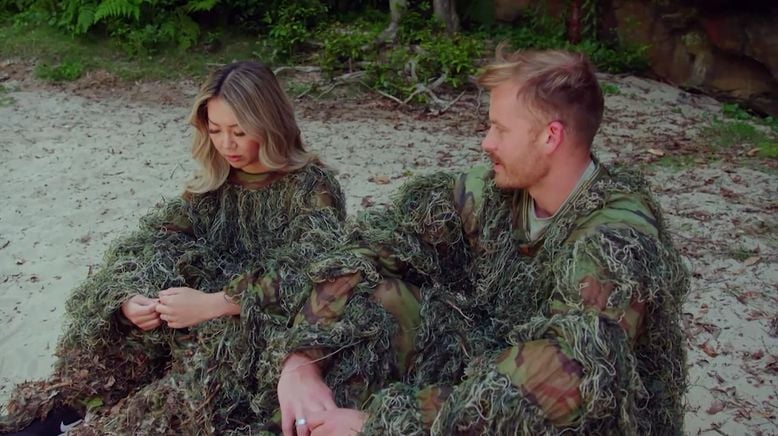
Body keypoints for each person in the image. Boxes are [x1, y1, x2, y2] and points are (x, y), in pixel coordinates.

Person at [270, 48, 689, 435]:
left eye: (500, 129)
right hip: (492, 361)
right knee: (380, 298)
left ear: (550, 137)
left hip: (584, 415)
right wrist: (303, 357)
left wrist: (379, 423)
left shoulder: (617, 238)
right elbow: (375, 247)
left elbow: (566, 375)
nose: (486, 142)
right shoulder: (491, 192)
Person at [0, 61, 346, 435]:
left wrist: (217, 303)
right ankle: (65, 410)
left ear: (271, 125)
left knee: (201, 378)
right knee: (119, 336)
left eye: (240, 131)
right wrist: (129, 299)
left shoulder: (312, 186)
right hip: (191, 314)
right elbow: (155, 239)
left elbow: (316, 267)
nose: (226, 144)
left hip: (259, 326)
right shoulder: (216, 182)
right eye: (215, 130)